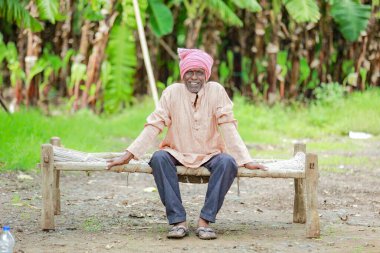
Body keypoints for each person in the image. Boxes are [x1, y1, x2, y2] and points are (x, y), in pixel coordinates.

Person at [107, 48, 266, 240]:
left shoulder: (216, 91)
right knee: (158, 158)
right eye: (189, 72)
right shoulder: (172, 92)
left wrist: (246, 160)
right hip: (177, 152)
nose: (194, 78)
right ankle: (178, 221)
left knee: (228, 163)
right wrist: (129, 154)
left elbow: (228, 127)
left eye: (199, 73)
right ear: (183, 74)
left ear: (206, 75)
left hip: (210, 154)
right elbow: (154, 124)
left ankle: (205, 221)